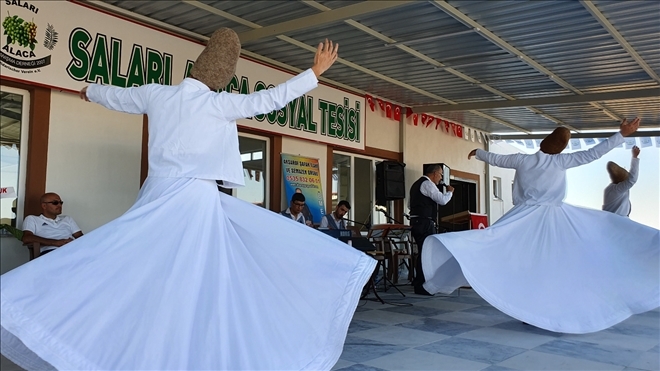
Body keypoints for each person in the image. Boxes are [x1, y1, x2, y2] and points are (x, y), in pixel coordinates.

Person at [0, 29, 376, 371]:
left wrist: (90, 91)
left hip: (157, 194)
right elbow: (270, 99)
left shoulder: (157, 93)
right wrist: (314, 73)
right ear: (220, 77)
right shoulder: (218, 104)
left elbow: (118, 96)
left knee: (131, 266)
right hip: (195, 200)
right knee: (196, 281)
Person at [422, 118, 659, 334]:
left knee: (496, 243)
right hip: (553, 219)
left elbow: (499, 159)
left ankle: (529, 303)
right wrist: (621, 135)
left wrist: (481, 153)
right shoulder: (561, 161)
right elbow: (593, 154)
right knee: (549, 262)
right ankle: (542, 307)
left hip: (526, 216)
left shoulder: (524, 159)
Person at [408, 164, 454, 295]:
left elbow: (409, 205)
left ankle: (419, 281)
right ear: (434, 173)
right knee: (427, 253)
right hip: (424, 222)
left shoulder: (415, 185)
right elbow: (442, 200)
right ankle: (422, 285)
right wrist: (450, 192)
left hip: (416, 221)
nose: (440, 178)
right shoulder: (428, 184)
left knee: (423, 252)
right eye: (440, 175)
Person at [603, 145, 640, 216]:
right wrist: (635, 157)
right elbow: (632, 179)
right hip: (616, 223)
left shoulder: (610, 189)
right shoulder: (617, 189)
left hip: (612, 221)